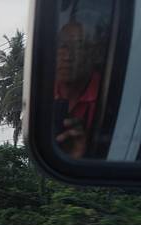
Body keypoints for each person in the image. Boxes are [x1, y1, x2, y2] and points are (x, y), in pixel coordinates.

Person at [54, 21, 101, 159]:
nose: (68, 57)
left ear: (92, 53)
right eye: (63, 46)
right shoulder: (42, 91)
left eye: (78, 47)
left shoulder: (110, 92)